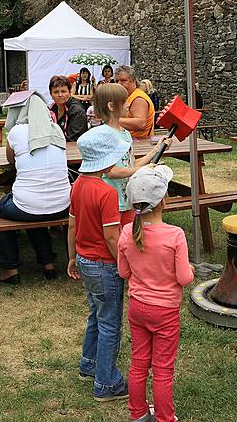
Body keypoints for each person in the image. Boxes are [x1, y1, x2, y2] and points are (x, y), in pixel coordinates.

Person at [118, 164, 194, 422]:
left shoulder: (127, 231)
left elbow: (123, 272)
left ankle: (138, 414)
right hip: (165, 312)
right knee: (163, 369)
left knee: (139, 362)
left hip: (137, 307)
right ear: (164, 200)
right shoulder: (175, 235)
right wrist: (190, 268)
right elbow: (184, 278)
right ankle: (165, 418)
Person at [67, 125, 131, 402]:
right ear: (108, 159)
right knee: (110, 323)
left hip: (84, 260)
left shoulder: (78, 185)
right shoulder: (106, 193)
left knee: (95, 312)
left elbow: (71, 225)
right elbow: (111, 236)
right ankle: (106, 384)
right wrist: (125, 266)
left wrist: (71, 257)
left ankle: (89, 363)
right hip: (105, 265)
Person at [0, 92, 71, 283]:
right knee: (34, 206)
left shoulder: (17, 132)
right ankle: (47, 263)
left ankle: (11, 267)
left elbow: (11, 160)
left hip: (29, 205)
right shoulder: (56, 130)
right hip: (64, 205)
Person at [93, 83, 169, 227]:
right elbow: (112, 172)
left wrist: (158, 148)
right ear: (111, 106)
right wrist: (145, 169)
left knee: (128, 238)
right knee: (114, 241)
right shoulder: (104, 135)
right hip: (112, 201)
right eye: (124, 101)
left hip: (128, 200)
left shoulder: (126, 134)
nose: (129, 104)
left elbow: (131, 164)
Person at [48, 75, 88, 142]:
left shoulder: (77, 111)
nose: (60, 95)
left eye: (63, 91)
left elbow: (72, 139)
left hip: (74, 149)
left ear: (69, 93)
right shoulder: (51, 109)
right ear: (51, 94)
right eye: (56, 92)